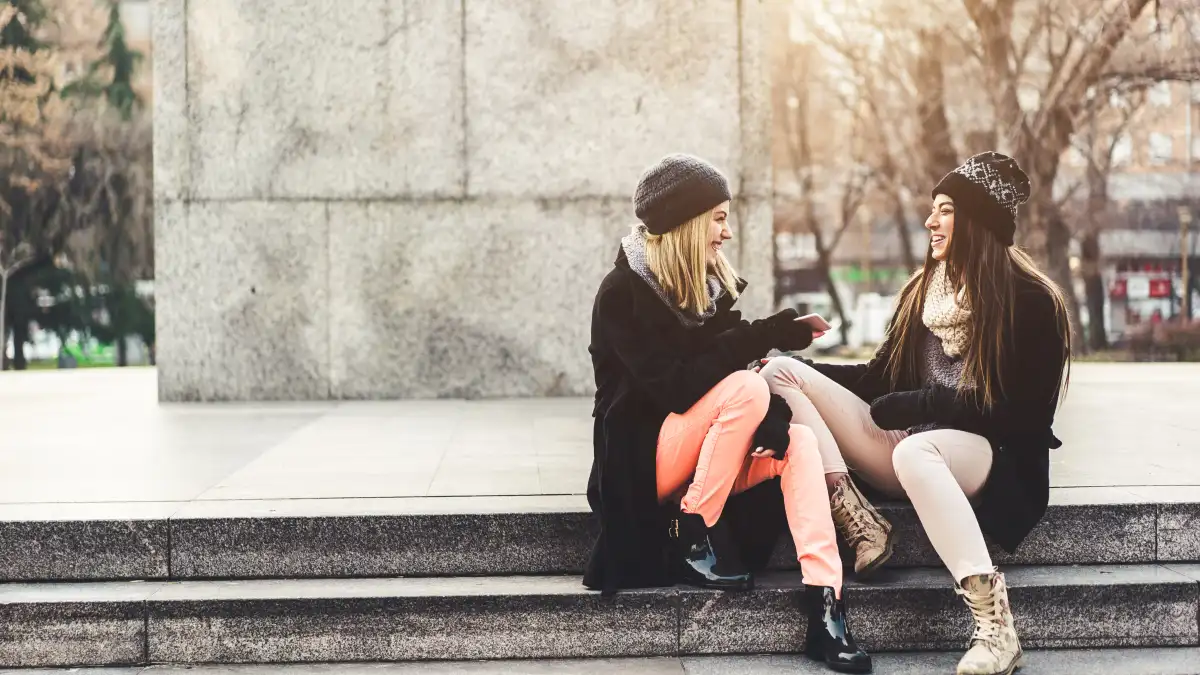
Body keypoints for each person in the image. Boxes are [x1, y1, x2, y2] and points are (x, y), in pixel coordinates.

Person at [757, 152, 1071, 675]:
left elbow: (1026, 417)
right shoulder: (925, 292)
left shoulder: (1032, 302)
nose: (930, 221)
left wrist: (926, 404)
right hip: (907, 450)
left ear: (975, 221)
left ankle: (996, 632)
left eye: (944, 210)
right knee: (778, 377)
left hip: (988, 458)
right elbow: (876, 380)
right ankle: (860, 522)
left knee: (917, 449)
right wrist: (796, 362)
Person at [585, 153, 871, 673]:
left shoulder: (702, 291)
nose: (727, 233)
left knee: (799, 445)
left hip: (701, 459)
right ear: (686, 221)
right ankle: (693, 531)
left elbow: (728, 374)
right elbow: (677, 388)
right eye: (718, 217)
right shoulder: (621, 295)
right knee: (744, 386)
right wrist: (763, 338)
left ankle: (826, 606)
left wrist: (772, 417)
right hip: (641, 464)